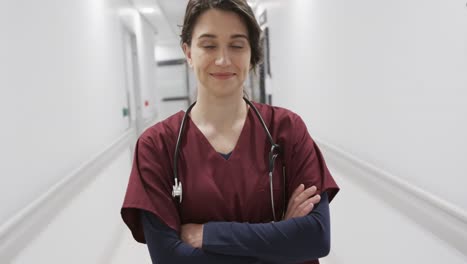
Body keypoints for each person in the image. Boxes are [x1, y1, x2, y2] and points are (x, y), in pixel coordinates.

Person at [121, 0, 340, 263]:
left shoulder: (287, 130)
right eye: (209, 45)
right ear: (188, 52)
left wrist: (210, 235)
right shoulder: (156, 146)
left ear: (251, 54)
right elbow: (170, 259)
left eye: (237, 45)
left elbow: (315, 237)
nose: (223, 59)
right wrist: (281, 240)